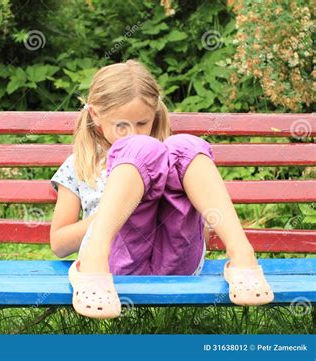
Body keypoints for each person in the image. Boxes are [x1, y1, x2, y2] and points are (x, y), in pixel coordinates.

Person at [50, 59, 274, 319]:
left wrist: (179, 208)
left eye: (142, 123)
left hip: (177, 262)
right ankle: (91, 263)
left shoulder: (170, 157)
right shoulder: (80, 163)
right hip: (109, 268)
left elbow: (195, 230)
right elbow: (59, 244)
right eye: (121, 125)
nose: (133, 133)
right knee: (140, 150)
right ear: (95, 115)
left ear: (155, 113)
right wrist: (112, 215)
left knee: (184, 146)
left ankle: (243, 257)